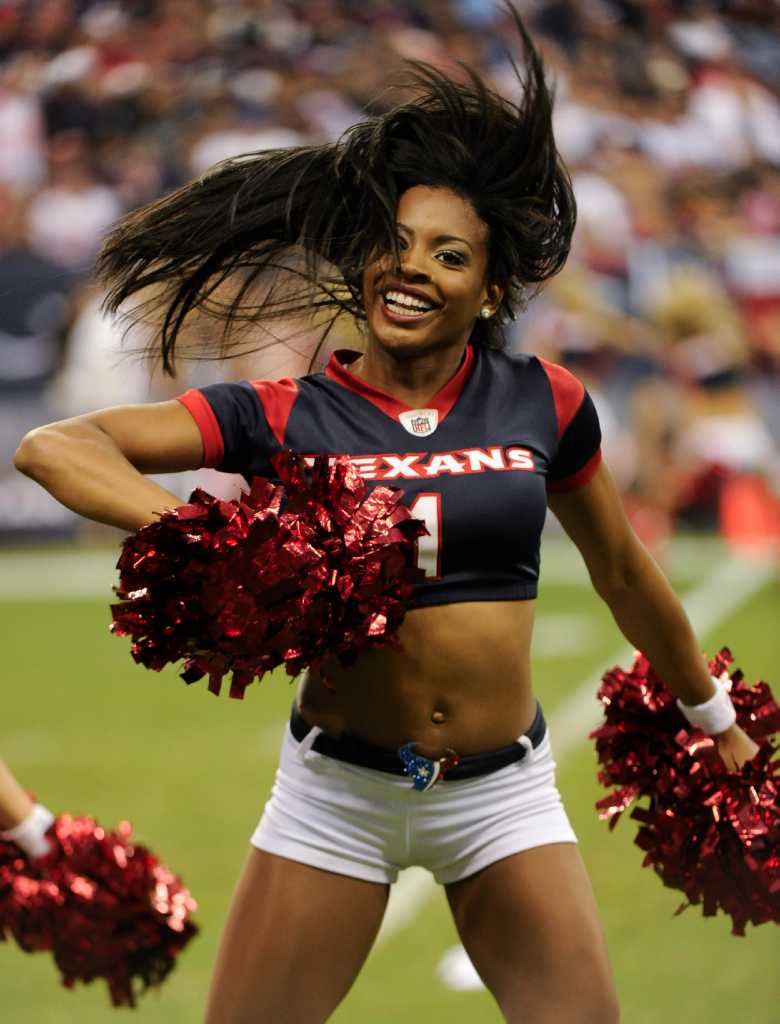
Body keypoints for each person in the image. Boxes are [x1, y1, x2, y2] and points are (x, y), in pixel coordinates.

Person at [13, 10, 758, 1023]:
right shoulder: (284, 412)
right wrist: (208, 537)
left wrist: (712, 717)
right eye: (396, 245)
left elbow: (625, 571)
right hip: (344, 798)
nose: (413, 269)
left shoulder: (547, 401)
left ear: (489, 287)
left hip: (500, 793)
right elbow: (53, 446)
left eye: (448, 256)